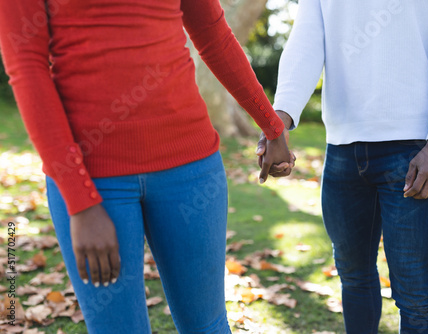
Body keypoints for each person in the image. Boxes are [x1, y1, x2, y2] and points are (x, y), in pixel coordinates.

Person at [0, 0, 292, 333]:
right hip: (94, 180)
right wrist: (80, 204)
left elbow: (214, 36)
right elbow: (26, 67)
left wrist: (272, 126)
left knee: (209, 327)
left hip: (191, 167)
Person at [257, 0, 428, 332]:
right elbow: (306, 37)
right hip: (342, 149)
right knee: (354, 279)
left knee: (416, 296)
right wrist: (279, 121)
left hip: (415, 151)